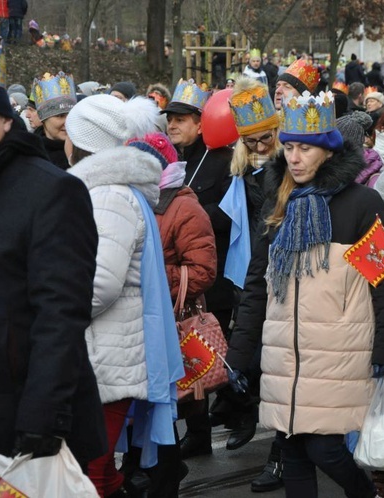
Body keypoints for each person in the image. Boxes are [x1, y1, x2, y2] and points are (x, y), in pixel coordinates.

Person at [227, 90, 384, 497]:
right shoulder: (280, 204)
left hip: (337, 354)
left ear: (326, 152)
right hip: (285, 357)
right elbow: (257, 284)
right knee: (292, 454)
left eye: (305, 148)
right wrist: (238, 354)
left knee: (325, 449)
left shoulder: (362, 203)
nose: (294, 157)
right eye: (288, 147)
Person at [0, 32, 107, 474]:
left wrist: (40, 419)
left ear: (5, 120)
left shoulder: (52, 191)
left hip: (19, 414)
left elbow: (61, 314)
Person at [65, 94, 183, 496]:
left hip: (106, 359)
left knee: (92, 475)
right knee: (94, 471)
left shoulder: (107, 196)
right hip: (107, 355)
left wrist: (50, 310)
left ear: (79, 141)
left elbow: (101, 283)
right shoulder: (109, 189)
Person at [119, 132, 216, 496]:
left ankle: (163, 477)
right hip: (137, 325)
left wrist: (151, 278)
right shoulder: (133, 200)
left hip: (168, 327)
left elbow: (204, 270)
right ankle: (141, 473)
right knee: (137, 411)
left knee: (159, 410)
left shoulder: (183, 206)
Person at [161, 79, 237, 459]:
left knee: (209, 351)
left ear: (201, 121)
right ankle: (198, 430)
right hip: (178, 278)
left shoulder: (223, 160)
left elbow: (229, 215)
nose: (173, 125)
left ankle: (238, 410)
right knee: (186, 357)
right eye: (169, 119)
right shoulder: (171, 161)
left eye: (181, 119)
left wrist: (188, 219)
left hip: (214, 274)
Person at [218, 78, 285, 492]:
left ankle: (281, 456)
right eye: (252, 141)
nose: (260, 146)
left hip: (285, 282)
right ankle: (248, 415)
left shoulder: (288, 174)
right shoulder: (242, 173)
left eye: (266, 139)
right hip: (252, 279)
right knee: (255, 359)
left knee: (281, 369)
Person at [31, 71, 77, 170]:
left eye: (72, 115)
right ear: (43, 119)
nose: (68, 122)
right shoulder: (31, 154)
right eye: (60, 116)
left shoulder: (84, 151)